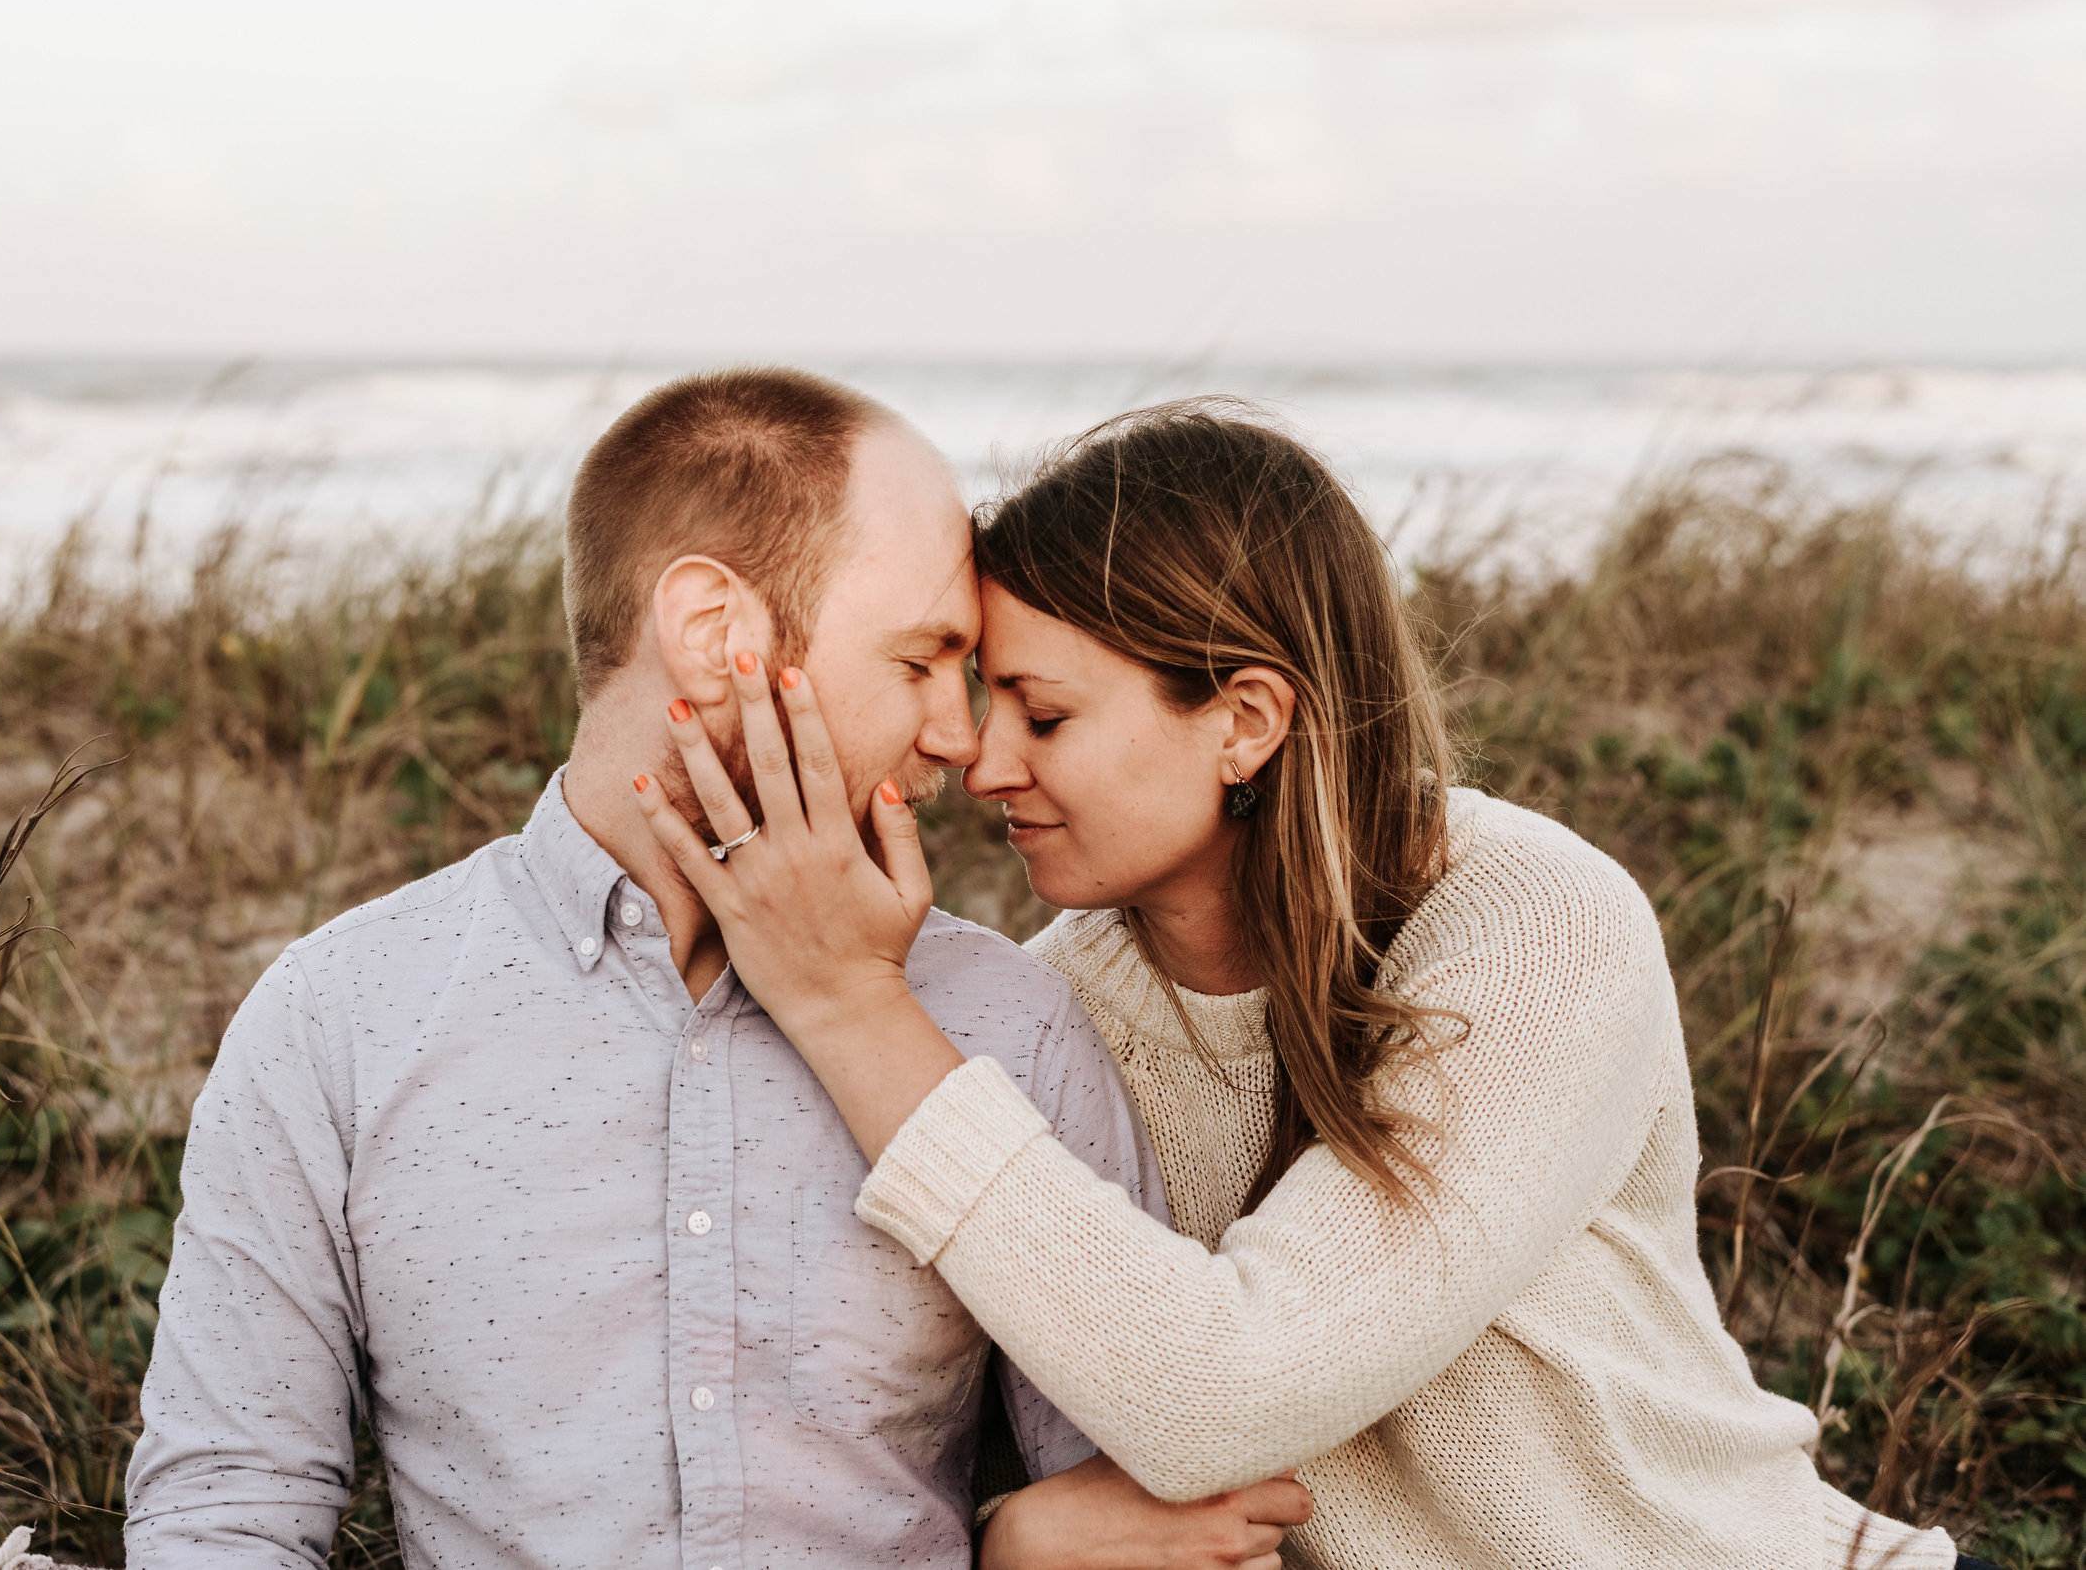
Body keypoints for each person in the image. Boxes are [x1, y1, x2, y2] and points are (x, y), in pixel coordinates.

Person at [631, 399, 1981, 1570]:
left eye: (1044, 716)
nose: (981, 765)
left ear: (1245, 721)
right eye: (982, 702)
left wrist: (847, 999)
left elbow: (1223, 1388)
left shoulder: (1535, 927)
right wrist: (1002, 1534)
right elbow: (964, 1406)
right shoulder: (1062, 1005)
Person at [125, 370, 1314, 1569]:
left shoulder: (1011, 1023)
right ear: (713, 635)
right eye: (919, 662)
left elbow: (1160, 1523)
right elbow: (226, 1510)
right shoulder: (342, 1019)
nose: (962, 739)